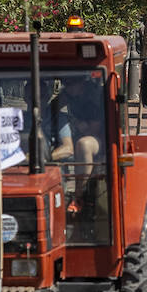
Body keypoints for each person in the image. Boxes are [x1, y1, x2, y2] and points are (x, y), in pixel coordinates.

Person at [50, 75, 106, 213]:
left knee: (83, 144)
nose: (66, 87)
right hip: (79, 133)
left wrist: (75, 123)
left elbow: (92, 130)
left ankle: (80, 194)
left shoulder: (94, 97)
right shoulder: (70, 94)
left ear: (81, 82)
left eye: (70, 83)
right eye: (65, 83)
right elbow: (51, 109)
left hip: (101, 139)